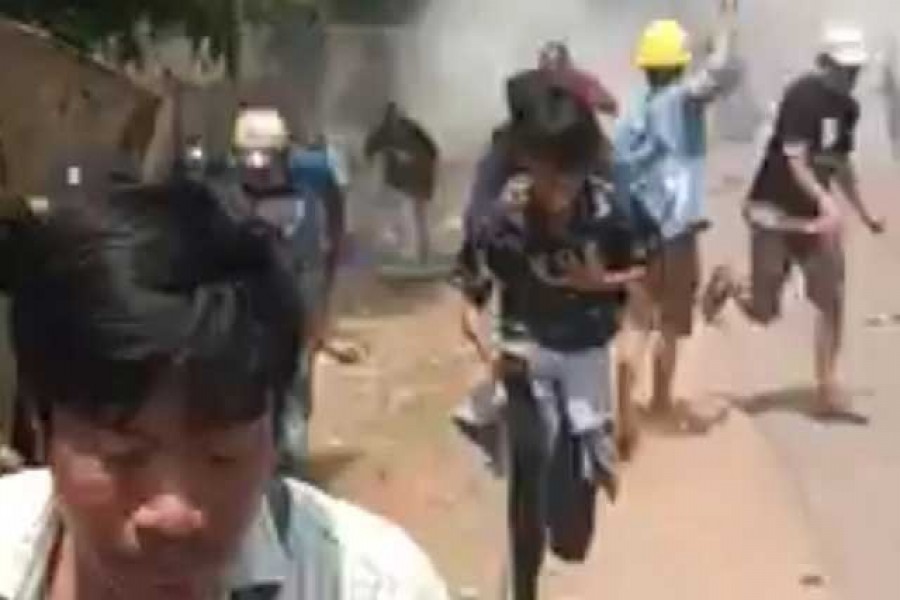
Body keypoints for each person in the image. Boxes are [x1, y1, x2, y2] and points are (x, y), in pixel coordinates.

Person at [0, 159, 449, 599]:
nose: (173, 514)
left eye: (222, 456)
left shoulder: (371, 586)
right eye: (124, 457)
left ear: (273, 436)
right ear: (43, 434)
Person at [454, 69, 646, 600]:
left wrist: (600, 280)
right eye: (545, 173)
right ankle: (523, 586)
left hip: (586, 345)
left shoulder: (611, 201)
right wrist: (472, 307)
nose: (555, 189)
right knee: (529, 458)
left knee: (573, 533)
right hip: (524, 345)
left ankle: (567, 504)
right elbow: (475, 257)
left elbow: (645, 268)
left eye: (567, 176)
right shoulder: (505, 196)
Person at [702, 24, 884, 416]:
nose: (850, 78)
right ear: (824, 64)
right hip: (774, 212)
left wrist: (863, 212)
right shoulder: (802, 97)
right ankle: (729, 281)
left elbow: (838, 162)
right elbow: (795, 160)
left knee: (831, 299)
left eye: (855, 70)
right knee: (763, 311)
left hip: (816, 221)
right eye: (843, 69)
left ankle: (826, 384)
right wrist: (825, 201)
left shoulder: (849, 109)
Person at [612, 0, 741, 455]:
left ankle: (625, 383)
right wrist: (728, 20)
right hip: (675, 233)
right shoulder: (680, 102)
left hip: (636, 234)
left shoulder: (633, 114)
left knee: (636, 319)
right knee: (670, 323)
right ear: (677, 66)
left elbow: (617, 174)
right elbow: (723, 73)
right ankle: (661, 402)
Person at [233, 107, 329, 474]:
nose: (259, 168)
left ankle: (290, 487)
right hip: (243, 325)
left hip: (288, 321)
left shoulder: (306, 206)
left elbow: (312, 270)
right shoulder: (224, 205)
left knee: (292, 410)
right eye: (253, 160)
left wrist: (314, 325)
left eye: (266, 161)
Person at [364, 103, 439, 264]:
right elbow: (370, 148)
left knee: (415, 214)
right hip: (398, 181)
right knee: (400, 212)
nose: (394, 122)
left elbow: (432, 151)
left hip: (415, 177)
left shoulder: (411, 130)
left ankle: (419, 253)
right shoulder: (386, 132)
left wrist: (417, 163)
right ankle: (406, 249)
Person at [538, 40, 619, 117]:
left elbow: (609, 105)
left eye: (557, 63)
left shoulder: (583, 82)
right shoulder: (533, 87)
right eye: (548, 64)